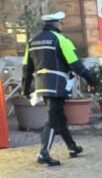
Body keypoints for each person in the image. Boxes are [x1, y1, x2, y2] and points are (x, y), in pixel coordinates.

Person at [22, 11, 97, 167]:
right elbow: (76, 64)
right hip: (57, 84)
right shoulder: (61, 39)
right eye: (62, 23)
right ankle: (43, 153)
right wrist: (91, 79)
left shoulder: (32, 41)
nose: (62, 26)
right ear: (57, 24)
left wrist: (26, 89)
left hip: (41, 84)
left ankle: (72, 147)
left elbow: (26, 68)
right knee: (52, 119)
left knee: (59, 118)